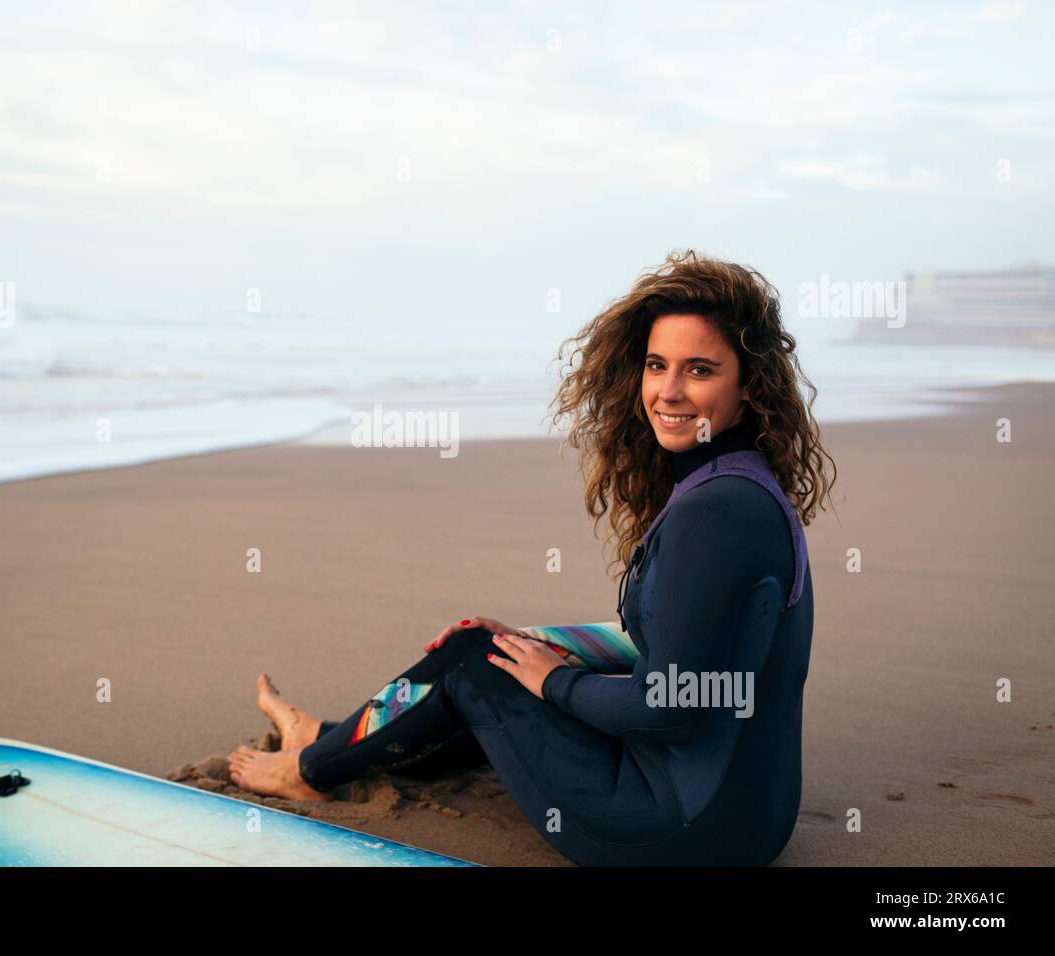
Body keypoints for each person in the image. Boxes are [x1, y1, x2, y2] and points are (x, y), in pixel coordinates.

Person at [228, 249, 838, 866]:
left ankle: (306, 770)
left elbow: (671, 705)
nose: (669, 391)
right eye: (657, 365)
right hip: (750, 819)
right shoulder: (743, 487)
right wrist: (545, 644)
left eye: (700, 370)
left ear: (750, 384)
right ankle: (333, 739)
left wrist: (554, 677)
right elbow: (688, 646)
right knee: (505, 656)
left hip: (677, 832)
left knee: (471, 661)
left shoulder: (714, 512)